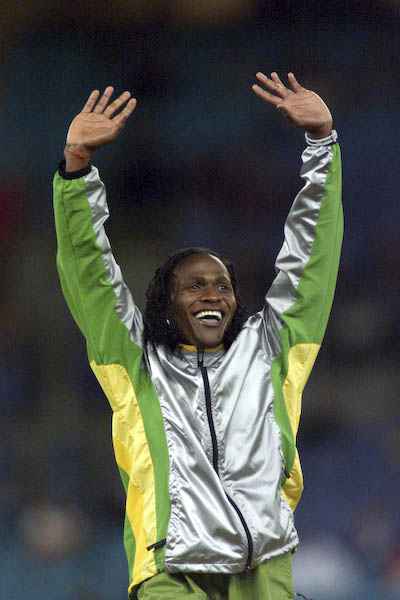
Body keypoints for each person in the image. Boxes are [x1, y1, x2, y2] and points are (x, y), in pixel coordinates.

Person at [53, 70, 343, 599]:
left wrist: (322, 144)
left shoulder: (269, 351)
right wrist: (76, 171)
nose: (212, 295)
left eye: (222, 285)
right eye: (194, 286)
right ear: (166, 303)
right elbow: (89, 276)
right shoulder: (136, 361)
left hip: (265, 567)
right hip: (171, 568)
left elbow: (312, 259)